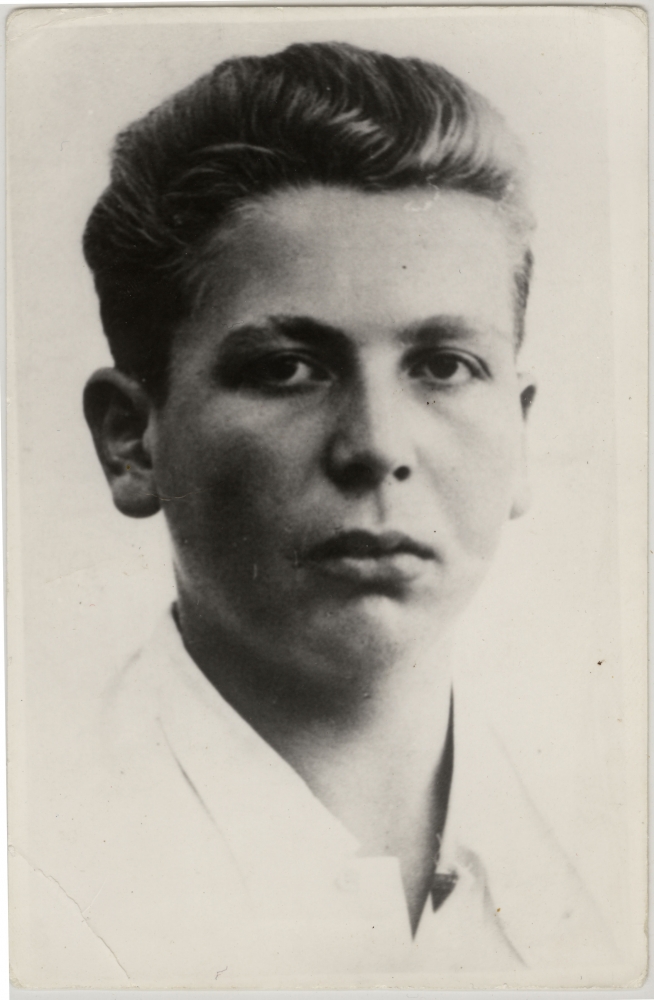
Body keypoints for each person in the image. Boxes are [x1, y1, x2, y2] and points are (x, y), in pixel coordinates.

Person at [12, 41, 617, 989]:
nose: (378, 445)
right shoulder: (35, 889)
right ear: (132, 441)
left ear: (522, 432)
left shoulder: (619, 874)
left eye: (444, 367)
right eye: (287, 367)